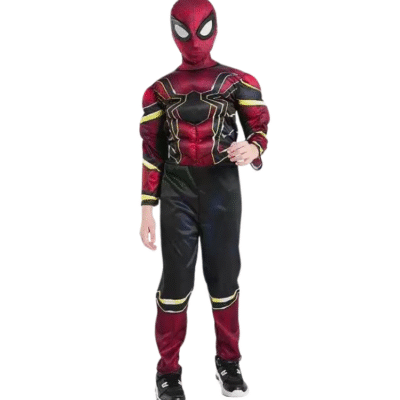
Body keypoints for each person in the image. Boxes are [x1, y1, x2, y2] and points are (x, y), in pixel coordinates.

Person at [139, 0, 270, 398]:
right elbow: (152, 152)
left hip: (221, 191)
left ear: (215, 28)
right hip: (176, 191)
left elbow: (259, 129)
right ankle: (168, 371)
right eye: (185, 31)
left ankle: (228, 362)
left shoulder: (238, 81)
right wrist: (147, 207)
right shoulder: (158, 91)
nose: (194, 40)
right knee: (174, 284)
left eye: (202, 29)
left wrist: (254, 149)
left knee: (225, 278)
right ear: (173, 31)